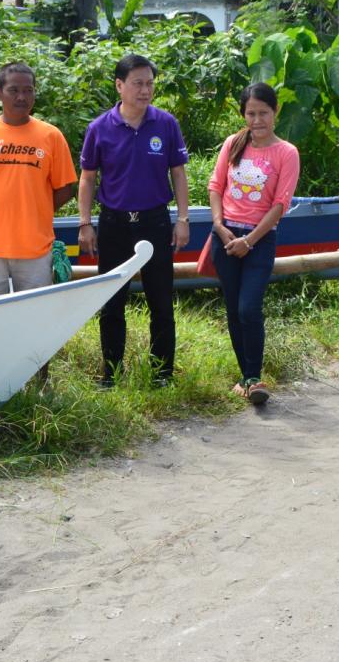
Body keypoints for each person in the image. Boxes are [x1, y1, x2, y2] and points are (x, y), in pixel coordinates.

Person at [78, 54, 190, 388]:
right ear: (120, 85)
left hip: (155, 222)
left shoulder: (165, 123)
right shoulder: (99, 128)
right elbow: (87, 178)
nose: (145, 90)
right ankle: (111, 375)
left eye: (150, 83)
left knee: (161, 301)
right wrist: (85, 223)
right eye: (138, 83)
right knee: (112, 304)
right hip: (114, 224)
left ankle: (162, 375)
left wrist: (183, 218)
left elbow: (179, 173)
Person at [207, 82, 300, 405]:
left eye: (263, 113)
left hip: (259, 240)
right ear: (243, 114)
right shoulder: (233, 143)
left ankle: (255, 376)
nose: (257, 120)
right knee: (233, 309)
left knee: (249, 308)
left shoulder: (286, 152)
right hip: (226, 236)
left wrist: (249, 240)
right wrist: (219, 227)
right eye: (251, 113)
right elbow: (216, 186)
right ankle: (246, 378)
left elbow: (280, 204)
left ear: (276, 112)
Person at [0, 62, 77, 300]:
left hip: (36, 249)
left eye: (28, 90)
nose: (22, 97)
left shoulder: (51, 136)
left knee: (34, 319)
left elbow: (66, 189)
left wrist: (35, 210)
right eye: (14, 90)